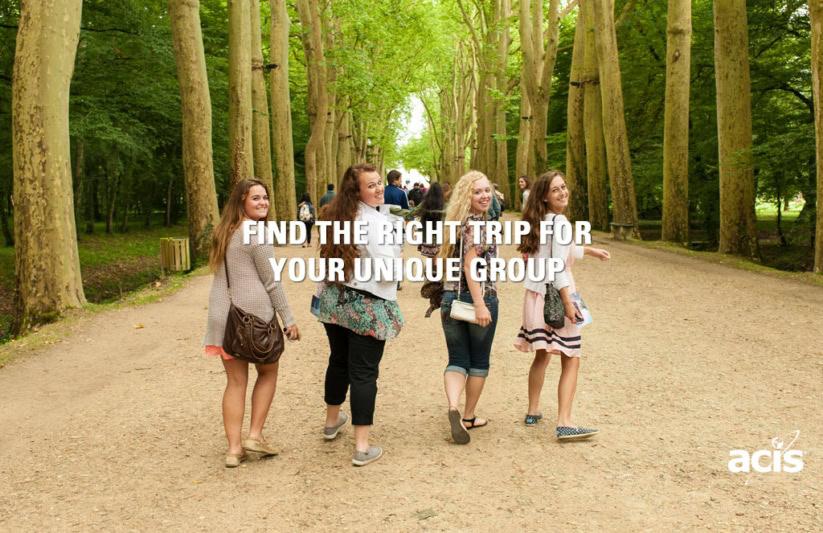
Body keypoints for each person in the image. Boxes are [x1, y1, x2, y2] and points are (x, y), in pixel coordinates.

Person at [203, 179, 301, 468]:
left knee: (235, 382)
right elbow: (271, 281)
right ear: (241, 202)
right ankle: (254, 435)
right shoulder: (257, 233)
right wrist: (289, 320)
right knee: (268, 372)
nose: (262, 202)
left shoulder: (224, 231)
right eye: (255, 198)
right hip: (254, 316)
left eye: (265, 197)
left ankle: (233, 449)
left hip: (223, 315)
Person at [315, 163, 404, 466]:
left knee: (338, 361)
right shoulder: (375, 223)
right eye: (372, 185)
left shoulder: (334, 216)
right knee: (364, 373)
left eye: (380, 183)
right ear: (357, 191)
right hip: (365, 305)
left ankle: (331, 422)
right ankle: (362, 447)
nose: (379, 188)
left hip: (334, 300)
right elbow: (387, 272)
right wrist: (398, 256)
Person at [513, 170, 610, 440]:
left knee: (541, 355)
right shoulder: (560, 222)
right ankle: (564, 422)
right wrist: (569, 303)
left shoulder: (537, 222)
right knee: (571, 357)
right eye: (556, 189)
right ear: (544, 196)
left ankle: (533, 411)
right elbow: (558, 266)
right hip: (557, 296)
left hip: (535, 297)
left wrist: (590, 250)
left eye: (564, 187)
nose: (563, 192)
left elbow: (556, 251)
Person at [438, 171, 498, 445]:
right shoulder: (479, 226)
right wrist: (480, 305)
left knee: (456, 359)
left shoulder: (454, 225)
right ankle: (469, 416)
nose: (485, 195)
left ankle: (453, 406)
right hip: (479, 299)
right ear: (468, 196)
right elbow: (471, 265)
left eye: (487, 190)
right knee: (479, 361)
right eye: (478, 192)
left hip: (450, 299)